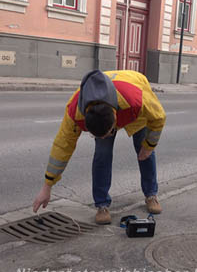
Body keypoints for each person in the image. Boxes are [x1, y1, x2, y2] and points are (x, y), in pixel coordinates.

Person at [32, 70, 166, 224]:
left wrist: (149, 146)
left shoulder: (136, 99)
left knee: (144, 151)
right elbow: (62, 146)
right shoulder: (75, 111)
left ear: (115, 119)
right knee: (102, 154)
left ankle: (151, 195)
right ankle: (102, 205)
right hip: (105, 113)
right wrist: (47, 186)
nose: (104, 137)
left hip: (131, 102)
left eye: (108, 133)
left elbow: (159, 117)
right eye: (96, 135)